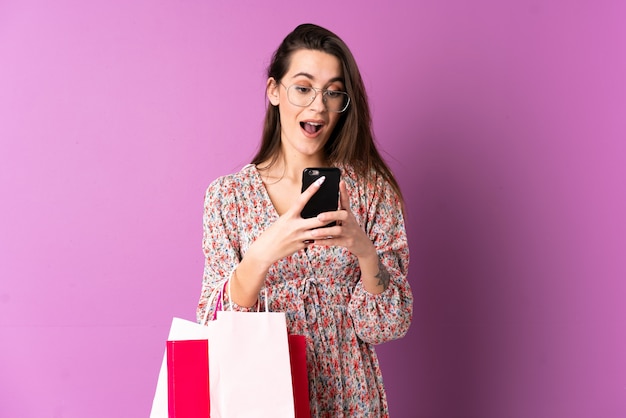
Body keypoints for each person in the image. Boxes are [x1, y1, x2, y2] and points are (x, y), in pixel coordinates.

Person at [197, 23, 413, 417]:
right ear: (274, 91)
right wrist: (262, 254)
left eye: (333, 92)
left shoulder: (372, 191)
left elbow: (387, 326)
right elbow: (214, 326)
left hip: (351, 398)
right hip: (262, 393)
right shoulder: (228, 198)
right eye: (303, 88)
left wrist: (364, 250)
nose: (318, 106)